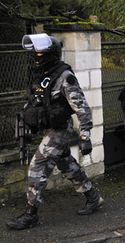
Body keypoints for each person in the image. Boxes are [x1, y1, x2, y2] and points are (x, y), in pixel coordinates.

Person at [7, 33, 103, 230]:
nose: (36, 54)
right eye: (35, 51)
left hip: (60, 130)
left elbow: (82, 108)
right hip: (49, 127)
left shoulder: (65, 77)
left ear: (50, 53)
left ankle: (31, 214)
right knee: (67, 164)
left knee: (37, 166)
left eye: (40, 51)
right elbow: (36, 101)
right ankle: (93, 197)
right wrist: (26, 118)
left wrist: (85, 136)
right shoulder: (41, 74)